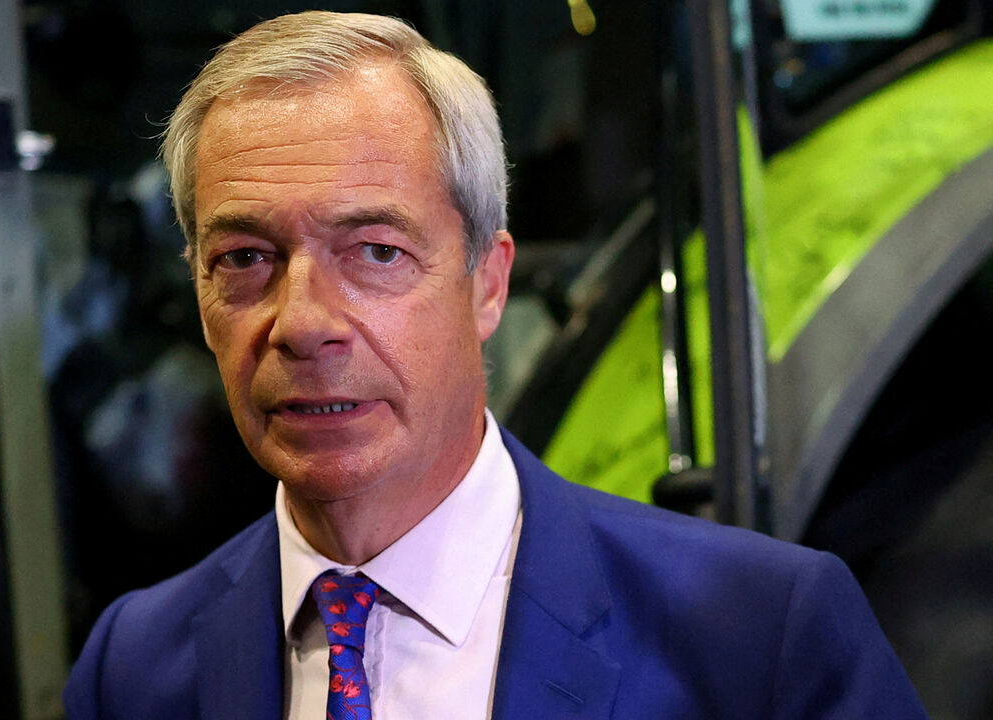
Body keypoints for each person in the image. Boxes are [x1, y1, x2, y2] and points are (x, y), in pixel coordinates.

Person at [64, 11, 926, 719]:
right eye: (245, 259)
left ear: (488, 283)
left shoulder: (759, 638)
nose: (302, 324)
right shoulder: (131, 667)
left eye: (374, 251)